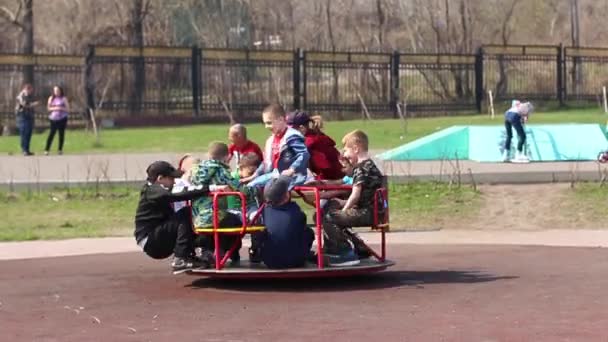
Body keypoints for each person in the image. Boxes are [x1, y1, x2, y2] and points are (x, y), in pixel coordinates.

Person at [134, 161, 223, 272]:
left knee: (196, 219)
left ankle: (194, 254)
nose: (174, 182)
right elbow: (177, 195)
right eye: (171, 178)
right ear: (160, 178)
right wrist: (211, 188)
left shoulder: (156, 190)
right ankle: (180, 258)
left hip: (159, 236)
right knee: (186, 213)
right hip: (151, 240)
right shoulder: (151, 190)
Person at [322, 130, 384, 266]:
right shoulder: (371, 165)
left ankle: (343, 253)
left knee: (329, 217)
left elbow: (355, 195)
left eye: (346, 150)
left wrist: (344, 208)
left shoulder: (360, 169)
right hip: (375, 211)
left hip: (366, 212)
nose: (345, 155)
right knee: (333, 213)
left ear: (356, 148)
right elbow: (365, 194)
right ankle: (359, 247)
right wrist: (343, 202)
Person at [190, 142, 256, 262]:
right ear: (227, 157)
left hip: (196, 217)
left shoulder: (195, 171)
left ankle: (207, 251)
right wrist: (252, 189)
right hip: (214, 216)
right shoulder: (221, 170)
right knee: (235, 221)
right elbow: (239, 189)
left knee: (217, 223)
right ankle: (227, 251)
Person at [253, 176, 314, 269]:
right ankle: (304, 254)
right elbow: (303, 229)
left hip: (269, 261)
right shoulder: (295, 211)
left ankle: (255, 254)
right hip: (295, 261)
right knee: (309, 232)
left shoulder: (263, 211)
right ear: (286, 196)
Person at [248, 103, 310, 189]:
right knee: (250, 186)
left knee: (269, 189)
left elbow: (303, 154)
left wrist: (292, 169)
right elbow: (266, 162)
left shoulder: (291, 137)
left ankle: (270, 201)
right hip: (276, 174)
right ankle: (259, 202)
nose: (266, 127)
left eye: (269, 123)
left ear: (281, 119)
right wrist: (255, 175)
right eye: (265, 124)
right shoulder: (272, 139)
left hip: (294, 176)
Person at [286, 111, 345, 181]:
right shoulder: (314, 136)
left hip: (332, 179)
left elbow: (326, 168)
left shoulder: (311, 142)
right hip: (331, 177)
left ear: (302, 128)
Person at [44, 85, 70, 155]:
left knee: (61, 133)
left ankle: (60, 149)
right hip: (53, 118)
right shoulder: (51, 98)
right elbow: (48, 108)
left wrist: (61, 108)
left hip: (62, 118)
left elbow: (68, 109)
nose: (56, 92)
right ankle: (47, 149)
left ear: (60, 91)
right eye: (55, 91)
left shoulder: (63, 98)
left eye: (58, 91)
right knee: (52, 133)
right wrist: (55, 108)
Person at [15, 84, 39, 156]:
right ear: (25, 89)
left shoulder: (30, 96)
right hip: (22, 116)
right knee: (24, 133)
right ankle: (24, 150)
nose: (30, 92)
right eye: (29, 90)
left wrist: (33, 104)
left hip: (29, 116)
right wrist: (33, 104)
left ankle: (27, 150)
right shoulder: (21, 96)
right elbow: (24, 105)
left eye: (31, 90)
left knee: (29, 133)